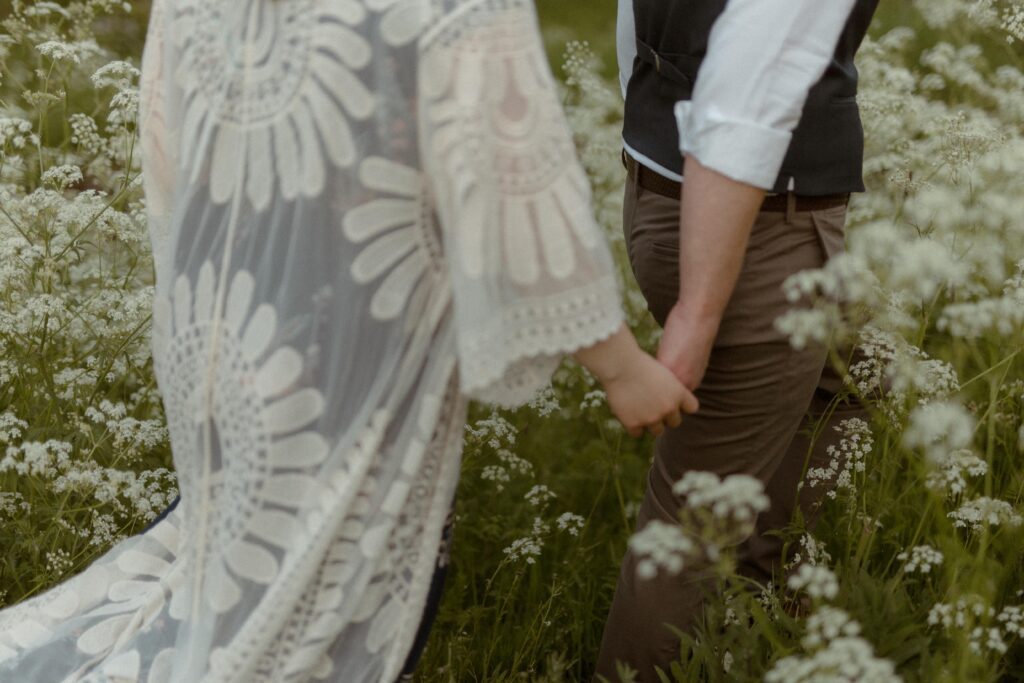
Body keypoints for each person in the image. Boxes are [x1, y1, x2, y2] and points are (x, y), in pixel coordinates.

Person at [0, 1, 698, 681]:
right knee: (329, 616)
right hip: (372, 347)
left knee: (235, 580)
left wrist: (212, 292)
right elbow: (511, 178)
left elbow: (165, 135)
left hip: (232, 327)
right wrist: (620, 365)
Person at [595, 0, 879, 679]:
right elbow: (753, 81)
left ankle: (751, 610)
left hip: (673, 194)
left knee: (851, 379)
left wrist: (656, 134)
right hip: (752, 227)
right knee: (692, 521)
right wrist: (699, 309)